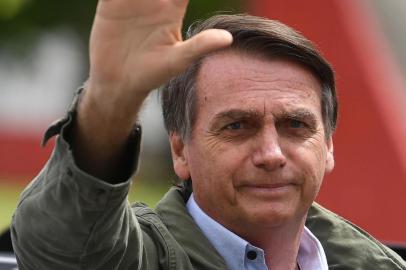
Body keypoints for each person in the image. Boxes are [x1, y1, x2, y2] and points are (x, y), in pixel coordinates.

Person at [10, 0, 406, 269]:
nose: (271, 153)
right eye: (237, 126)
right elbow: (62, 246)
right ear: (180, 150)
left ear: (329, 145)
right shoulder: (139, 258)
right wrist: (111, 99)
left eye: (295, 126)